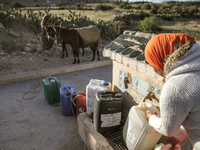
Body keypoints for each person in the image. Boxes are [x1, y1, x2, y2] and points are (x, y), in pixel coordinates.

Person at [144, 33, 200, 150]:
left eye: (152, 65)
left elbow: (167, 130)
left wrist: (152, 118)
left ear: (160, 60)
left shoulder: (175, 87)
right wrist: (176, 138)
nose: (154, 70)